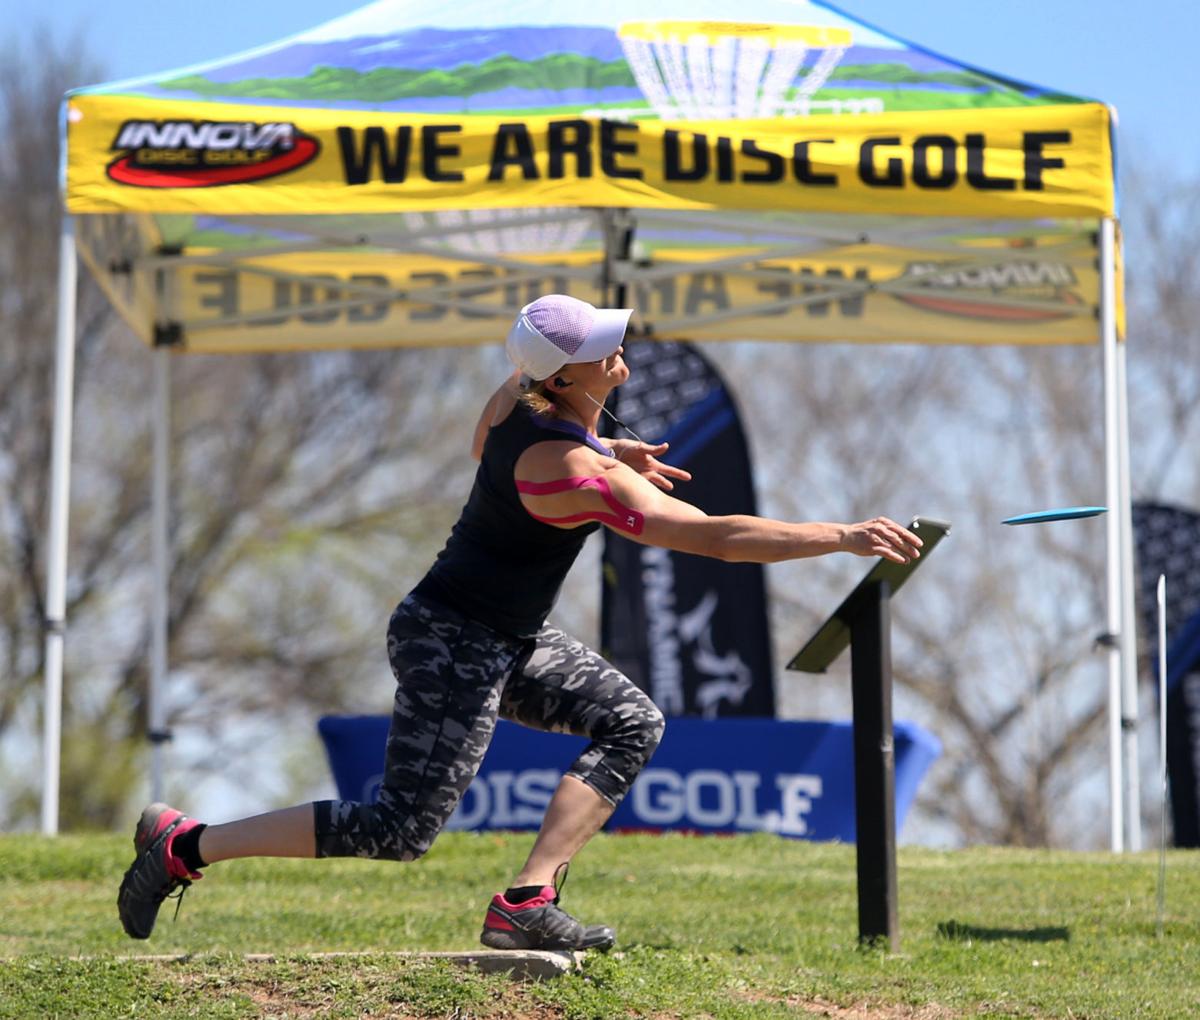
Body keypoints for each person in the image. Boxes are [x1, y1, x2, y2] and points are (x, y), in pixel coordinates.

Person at [118, 294, 922, 952]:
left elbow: (489, 439)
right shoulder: (580, 478)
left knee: (631, 721)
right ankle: (185, 845)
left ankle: (526, 902)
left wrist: (607, 440)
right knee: (399, 829)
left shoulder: (518, 400)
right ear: (566, 375)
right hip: (451, 639)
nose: (622, 355)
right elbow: (711, 536)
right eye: (605, 349)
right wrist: (842, 537)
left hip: (508, 636)